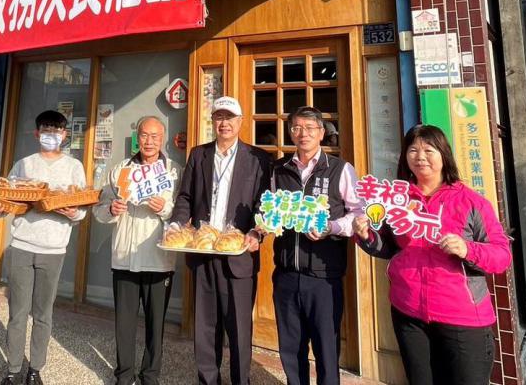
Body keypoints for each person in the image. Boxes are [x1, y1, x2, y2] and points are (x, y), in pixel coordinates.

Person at [353, 124, 512, 385]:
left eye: (429, 150)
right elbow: (390, 247)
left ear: (444, 155)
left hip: (462, 318)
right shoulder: (398, 200)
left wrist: (467, 248)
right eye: (413, 150)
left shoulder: (471, 202)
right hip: (408, 313)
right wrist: (366, 236)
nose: (420, 157)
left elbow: (501, 255)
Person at [172, 96, 271, 385]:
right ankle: (208, 380)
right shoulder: (198, 154)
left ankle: (241, 380)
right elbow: (185, 197)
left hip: (239, 253)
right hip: (202, 250)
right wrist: (176, 224)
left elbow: (264, 203)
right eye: (219, 117)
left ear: (240, 122)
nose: (224, 123)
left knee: (239, 327)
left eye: (230, 117)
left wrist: (258, 231)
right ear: (213, 121)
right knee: (205, 325)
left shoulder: (259, 158)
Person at [0, 110, 87, 385]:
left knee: (43, 313)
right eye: (46, 129)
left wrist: (73, 213)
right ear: (36, 133)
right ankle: (13, 369)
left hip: (54, 249)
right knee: (17, 312)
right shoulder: (24, 164)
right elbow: (7, 199)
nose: (51, 134)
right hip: (22, 245)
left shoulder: (74, 167)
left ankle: (35, 369)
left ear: (65, 135)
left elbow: (82, 209)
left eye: (57, 130)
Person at [269, 106, 361, 385]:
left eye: (310, 128)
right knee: (290, 348)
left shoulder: (340, 169)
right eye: (297, 128)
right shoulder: (279, 169)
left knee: (326, 348)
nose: (303, 133)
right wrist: (265, 223)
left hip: (323, 276)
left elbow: (358, 213)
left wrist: (331, 227)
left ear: (321, 132)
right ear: (291, 133)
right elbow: (270, 210)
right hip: (286, 273)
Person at [93, 116, 182, 385]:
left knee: (156, 323)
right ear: (137, 138)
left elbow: (183, 214)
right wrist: (111, 209)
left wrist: (165, 209)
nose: (149, 141)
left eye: (155, 136)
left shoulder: (174, 172)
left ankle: (150, 375)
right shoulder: (120, 170)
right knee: (124, 322)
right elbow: (99, 209)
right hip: (124, 258)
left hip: (159, 259)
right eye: (144, 135)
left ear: (162, 138)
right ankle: (124, 375)